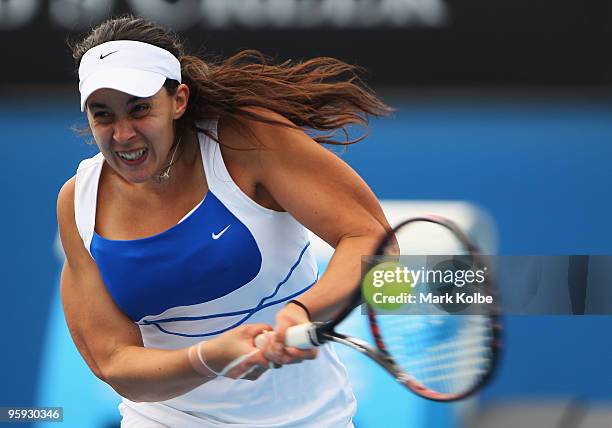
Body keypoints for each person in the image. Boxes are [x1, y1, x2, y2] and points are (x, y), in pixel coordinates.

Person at [57, 15, 393, 427]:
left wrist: (305, 310)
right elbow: (114, 363)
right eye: (103, 115)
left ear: (178, 100)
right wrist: (209, 357)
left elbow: (373, 240)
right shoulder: (79, 201)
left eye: (140, 109)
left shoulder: (247, 141)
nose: (123, 134)